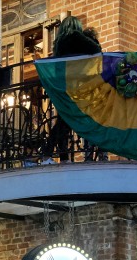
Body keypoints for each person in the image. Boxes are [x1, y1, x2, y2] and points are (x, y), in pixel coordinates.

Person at [34, 16, 102, 164]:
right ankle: (83, 154)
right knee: (74, 119)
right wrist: (88, 38)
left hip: (63, 86)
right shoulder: (75, 36)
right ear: (75, 26)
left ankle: (57, 154)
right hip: (76, 86)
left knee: (64, 120)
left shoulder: (59, 43)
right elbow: (96, 49)